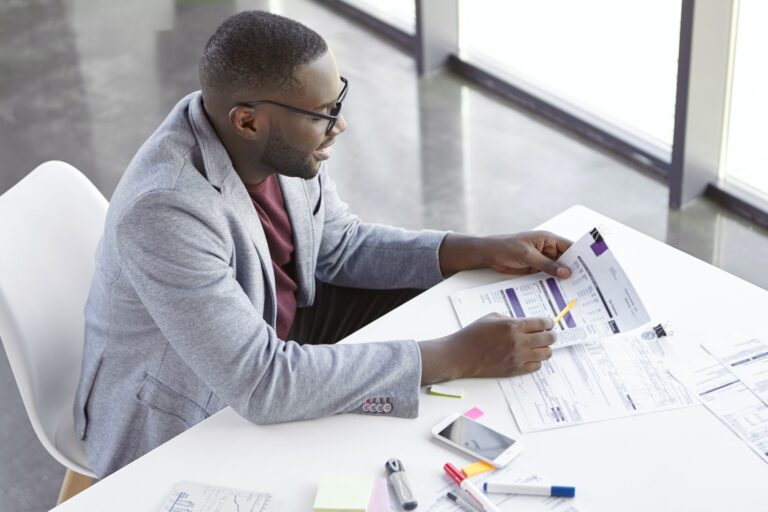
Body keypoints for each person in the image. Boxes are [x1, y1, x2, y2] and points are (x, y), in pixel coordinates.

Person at [74, 10, 572, 477]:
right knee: (440, 363)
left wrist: (479, 249)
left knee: (443, 304)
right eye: (323, 113)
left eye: (339, 101)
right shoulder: (165, 211)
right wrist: (456, 356)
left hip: (274, 323)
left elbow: (340, 245)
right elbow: (262, 384)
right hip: (188, 408)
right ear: (247, 121)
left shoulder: (275, 143)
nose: (341, 125)